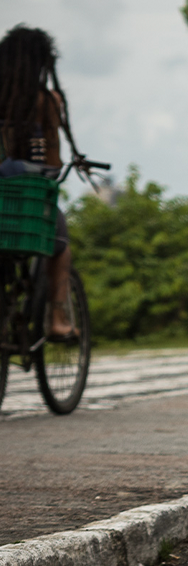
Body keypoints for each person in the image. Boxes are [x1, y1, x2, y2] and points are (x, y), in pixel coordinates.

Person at [0, 25, 74, 339]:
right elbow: (53, 163)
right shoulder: (45, 101)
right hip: (25, 207)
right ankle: (56, 319)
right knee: (60, 246)